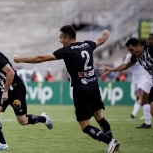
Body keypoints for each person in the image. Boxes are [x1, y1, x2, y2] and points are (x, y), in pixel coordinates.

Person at [14, 25, 120, 153]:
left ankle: (110, 142)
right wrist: (106, 34)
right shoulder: (87, 45)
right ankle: (112, 142)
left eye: (61, 38)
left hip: (81, 89)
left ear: (67, 38)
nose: (60, 40)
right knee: (99, 117)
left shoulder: (68, 50)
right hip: (94, 86)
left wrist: (20, 59)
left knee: (85, 126)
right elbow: (100, 40)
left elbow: (40, 58)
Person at [0, 35, 53, 151]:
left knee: (23, 121)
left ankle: (44, 118)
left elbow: (10, 73)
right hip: (3, 89)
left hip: (16, 88)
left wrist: (6, 91)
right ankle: (2, 143)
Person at [100, 34, 153, 123]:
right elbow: (125, 65)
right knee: (152, 109)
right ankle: (147, 122)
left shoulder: (151, 50)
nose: (131, 52)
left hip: (146, 79)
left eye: (132, 50)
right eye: (129, 50)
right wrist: (111, 69)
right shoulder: (136, 56)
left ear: (138, 46)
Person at [124, 52, 152, 129]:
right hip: (135, 80)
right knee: (140, 99)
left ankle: (134, 113)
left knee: (139, 96)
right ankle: (147, 120)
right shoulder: (129, 55)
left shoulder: (142, 54)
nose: (130, 50)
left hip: (143, 78)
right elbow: (125, 65)